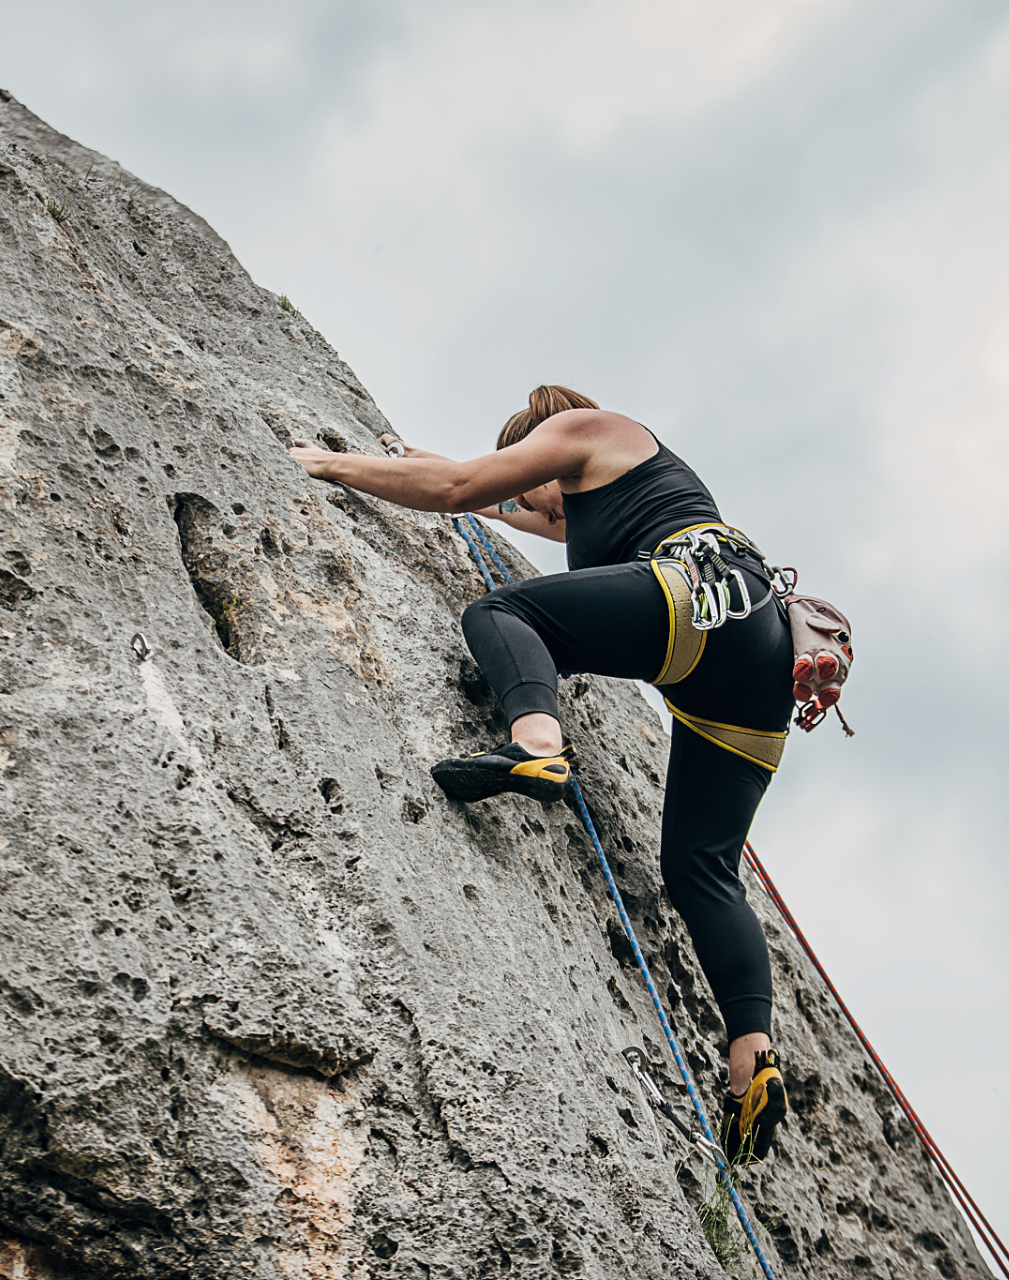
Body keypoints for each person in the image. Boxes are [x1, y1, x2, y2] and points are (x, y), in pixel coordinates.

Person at [288, 385, 795, 1164]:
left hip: (698, 599)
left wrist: (329, 465)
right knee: (701, 869)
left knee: (501, 614)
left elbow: (459, 490)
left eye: (532, 483)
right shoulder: (621, 490)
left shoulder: (584, 427)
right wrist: (446, 471)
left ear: (542, 445)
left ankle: (536, 745)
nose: (542, 513)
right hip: (751, 663)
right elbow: (483, 495)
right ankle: (749, 1067)